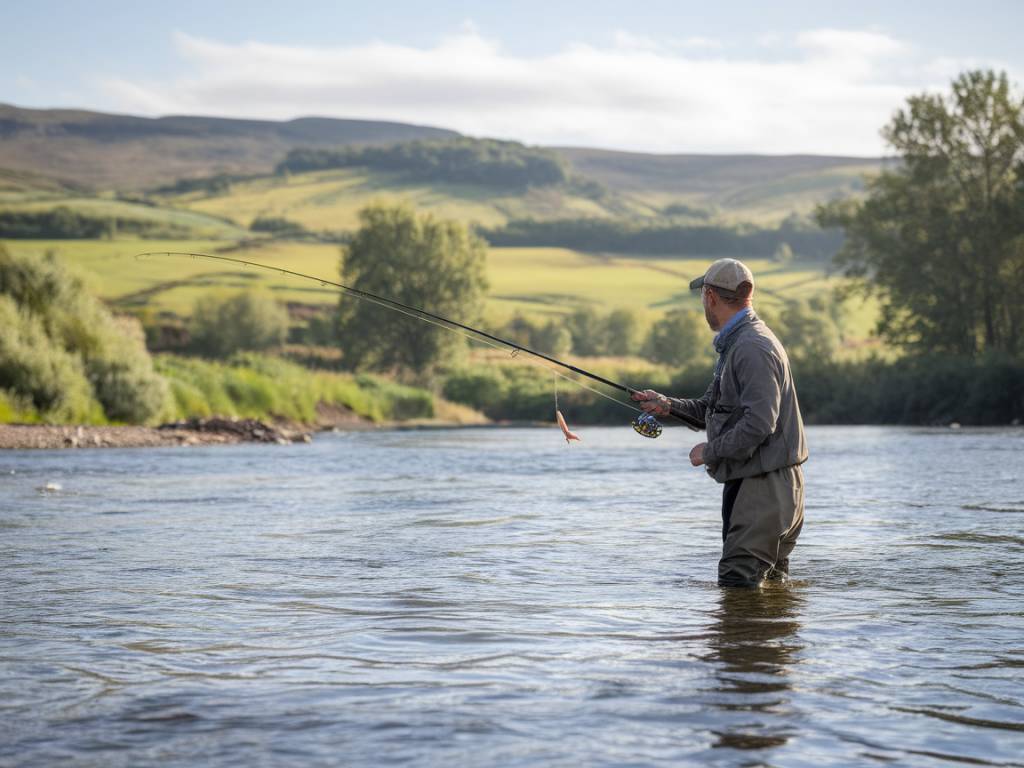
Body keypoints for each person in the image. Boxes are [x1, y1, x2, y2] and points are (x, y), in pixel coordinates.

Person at [632, 258, 808, 588]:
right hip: (766, 484)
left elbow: (759, 423)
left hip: (764, 487)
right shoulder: (740, 343)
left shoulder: (751, 347)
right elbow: (713, 409)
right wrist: (667, 407)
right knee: (768, 596)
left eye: (703, 296)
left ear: (710, 297)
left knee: (736, 583)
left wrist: (710, 451)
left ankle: (738, 641)